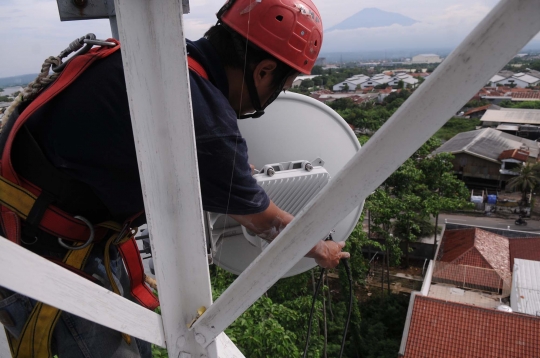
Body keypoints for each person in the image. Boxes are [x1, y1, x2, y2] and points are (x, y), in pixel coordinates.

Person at [0, 0, 348, 356]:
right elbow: (267, 223)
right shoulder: (202, 118)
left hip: (52, 227)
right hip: (42, 250)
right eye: (282, 84)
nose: (277, 96)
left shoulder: (159, 61)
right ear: (264, 71)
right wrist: (320, 248)